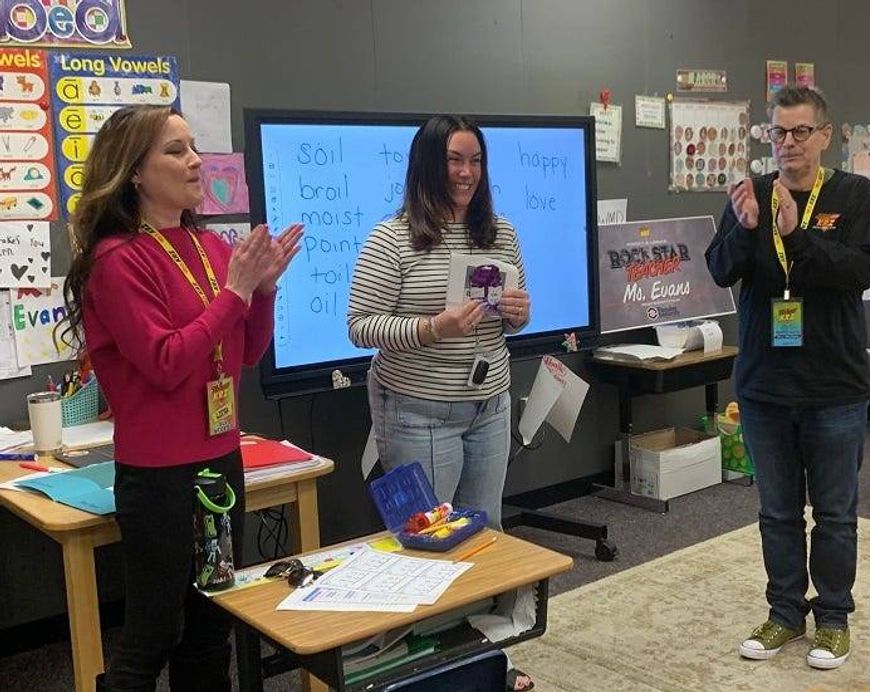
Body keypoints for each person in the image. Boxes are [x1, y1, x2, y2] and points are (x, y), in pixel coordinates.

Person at [60, 105, 303, 691]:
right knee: (153, 633)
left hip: (219, 462)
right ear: (133, 172)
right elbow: (165, 362)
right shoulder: (116, 259)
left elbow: (246, 352)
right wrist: (236, 293)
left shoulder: (212, 246)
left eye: (194, 146)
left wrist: (262, 292)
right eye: (175, 151)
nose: (195, 161)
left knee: (211, 626)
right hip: (159, 477)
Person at [347, 114, 533, 691]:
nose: (466, 172)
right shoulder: (392, 237)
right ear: (429, 164)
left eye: (475, 161)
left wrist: (520, 314)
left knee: (487, 531)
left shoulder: (500, 232)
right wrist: (433, 328)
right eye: (455, 160)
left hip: (490, 402)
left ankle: (486, 657)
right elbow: (361, 325)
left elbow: (512, 314)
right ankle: (425, 668)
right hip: (419, 410)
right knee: (429, 541)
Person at [705, 86, 870, 670]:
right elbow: (719, 269)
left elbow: (858, 271)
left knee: (834, 515)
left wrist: (794, 235)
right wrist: (744, 227)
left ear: (824, 135)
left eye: (801, 131)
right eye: (778, 132)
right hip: (765, 387)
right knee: (777, 514)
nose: (789, 143)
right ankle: (784, 613)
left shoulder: (853, 195)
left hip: (835, 387)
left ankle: (832, 618)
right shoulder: (752, 194)